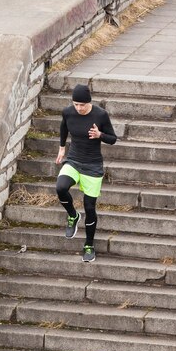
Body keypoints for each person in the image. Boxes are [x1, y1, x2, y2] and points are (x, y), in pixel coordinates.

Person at [55, 84, 117, 262]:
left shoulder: (100, 115)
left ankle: (89, 244)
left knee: (90, 208)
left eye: (82, 105)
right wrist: (61, 149)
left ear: (89, 103)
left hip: (92, 165)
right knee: (60, 187)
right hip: (73, 160)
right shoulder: (68, 112)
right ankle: (73, 215)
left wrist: (100, 135)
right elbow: (63, 128)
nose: (79, 108)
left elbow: (113, 139)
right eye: (76, 104)